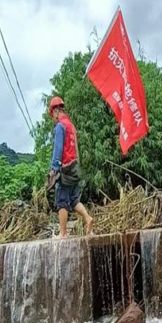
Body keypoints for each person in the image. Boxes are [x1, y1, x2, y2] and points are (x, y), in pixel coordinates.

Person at [48, 96, 93, 238]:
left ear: (55, 111)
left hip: (65, 170)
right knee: (74, 200)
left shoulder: (60, 126)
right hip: (74, 168)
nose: (53, 118)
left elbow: (58, 149)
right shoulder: (71, 126)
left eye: (53, 115)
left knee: (61, 201)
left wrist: (54, 169)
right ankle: (87, 218)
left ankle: (63, 233)